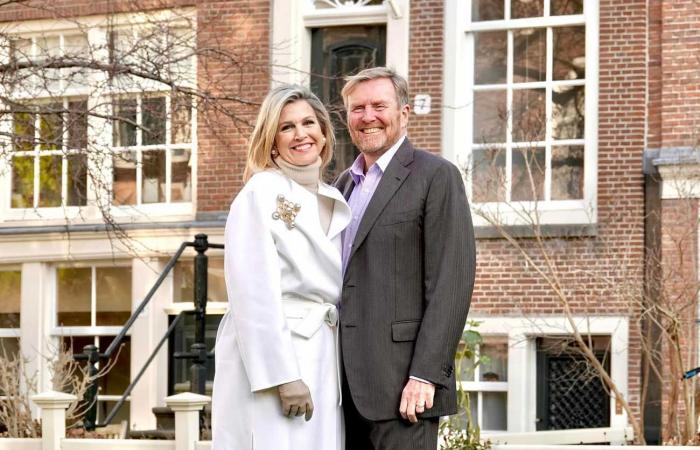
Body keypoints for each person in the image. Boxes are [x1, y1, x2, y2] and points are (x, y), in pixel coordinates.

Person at [335, 67, 476, 449]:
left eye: (379, 105)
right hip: (340, 388)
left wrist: (426, 375)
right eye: (357, 108)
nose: (368, 117)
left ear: (405, 112)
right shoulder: (340, 187)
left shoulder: (437, 176)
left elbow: (452, 282)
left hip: (403, 389)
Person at [212, 84, 351, 450]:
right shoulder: (259, 193)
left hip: (324, 348)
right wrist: (283, 375)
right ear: (272, 141)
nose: (300, 134)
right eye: (287, 127)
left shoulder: (335, 199)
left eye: (309, 123)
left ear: (323, 133)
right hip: (278, 353)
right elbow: (251, 292)